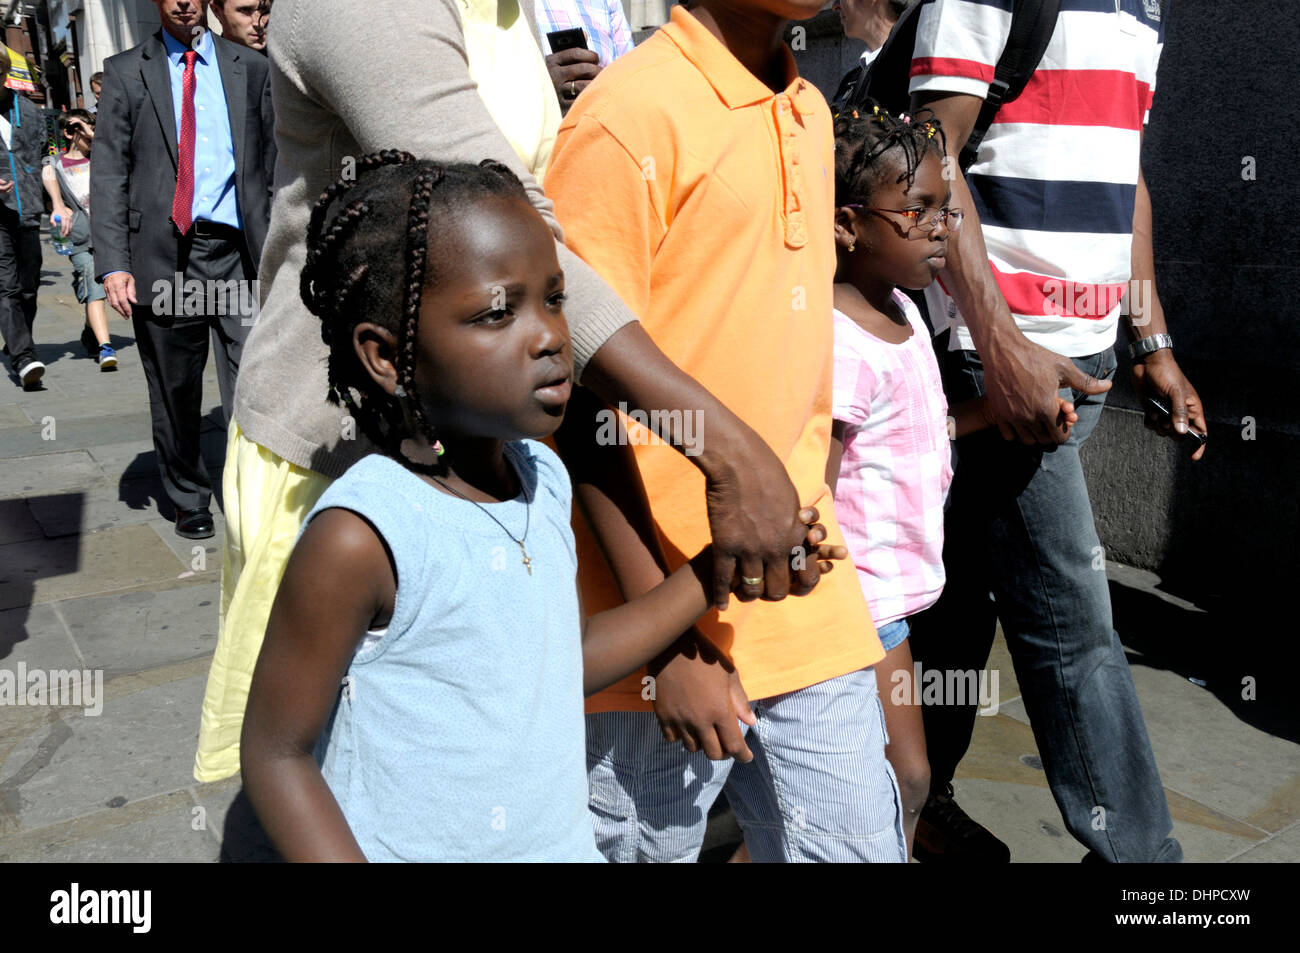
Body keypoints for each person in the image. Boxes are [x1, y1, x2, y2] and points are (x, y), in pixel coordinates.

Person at [196, 0, 825, 786]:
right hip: (344, 455)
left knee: (477, 762)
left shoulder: (507, 10)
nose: (545, 330)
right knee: (353, 776)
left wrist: (700, 581)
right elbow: (515, 220)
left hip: (482, 454)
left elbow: (545, 670)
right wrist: (728, 450)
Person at [239, 153, 844, 861]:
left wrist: (714, 571)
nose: (551, 335)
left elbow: (559, 660)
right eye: (499, 311)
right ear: (386, 354)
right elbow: (278, 755)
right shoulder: (365, 535)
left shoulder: (542, 478)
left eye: (554, 299)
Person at [545, 0, 908, 863]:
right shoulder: (627, 115)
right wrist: (668, 638)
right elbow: (576, 401)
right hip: (649, 612)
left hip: (802, 586)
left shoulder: (812, 110)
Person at [905, 0, 1203, 862]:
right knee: (1072, 616)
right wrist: (998, 344)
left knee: (957, 598)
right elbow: (933, 150)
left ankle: (917, 801)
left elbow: (1126, 178)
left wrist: (1152, 343)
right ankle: (1144, 864)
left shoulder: (1146, 5)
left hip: (1089, 355)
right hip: (992, 351)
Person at [827, 104, 1076, 854]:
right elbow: (809, 483)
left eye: (946, 208)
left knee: (904, 781)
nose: (944, 227)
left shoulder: (901, 313)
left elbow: (919, 425)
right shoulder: (840, 343)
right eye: (919, 210)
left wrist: (996, 413)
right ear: (847, 224)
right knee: (885, 782)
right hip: (850, 610)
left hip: (889, 612)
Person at [91, 0, 275, 540]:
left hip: (238, 255)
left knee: (255, 378)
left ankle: (256, 491)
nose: (183, 2)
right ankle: (190, 496)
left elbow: (270, 165)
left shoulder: (251, 68)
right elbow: (108, 174)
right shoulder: (128, 72)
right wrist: (113, 266)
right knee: (176, 389)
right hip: (167, 260)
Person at [42, 109, 116, 371]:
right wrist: (59, 206)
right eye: (82, 129)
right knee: (95, 292)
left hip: (109, 234)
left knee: (99, 291)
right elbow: (48, 177)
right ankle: (106, 347)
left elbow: (106, 140)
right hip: (81, 238)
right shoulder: (54, 164)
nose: (88, 134)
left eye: (91, 128)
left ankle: (90, 331)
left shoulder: (101, 158)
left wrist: (88, 129)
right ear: (69, 133)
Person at [0, 47, 47, 391]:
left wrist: (59, 204)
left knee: (29, 286)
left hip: (28, 208)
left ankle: (16, 338)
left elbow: (43, 160)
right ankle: (23, 356)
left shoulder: (29, 112)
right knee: (7, 285)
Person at [536, 0, 634, 112]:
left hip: (604, 121)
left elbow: (630, 79)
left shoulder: (608, 2)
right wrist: (543, 90)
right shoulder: (515, 8)